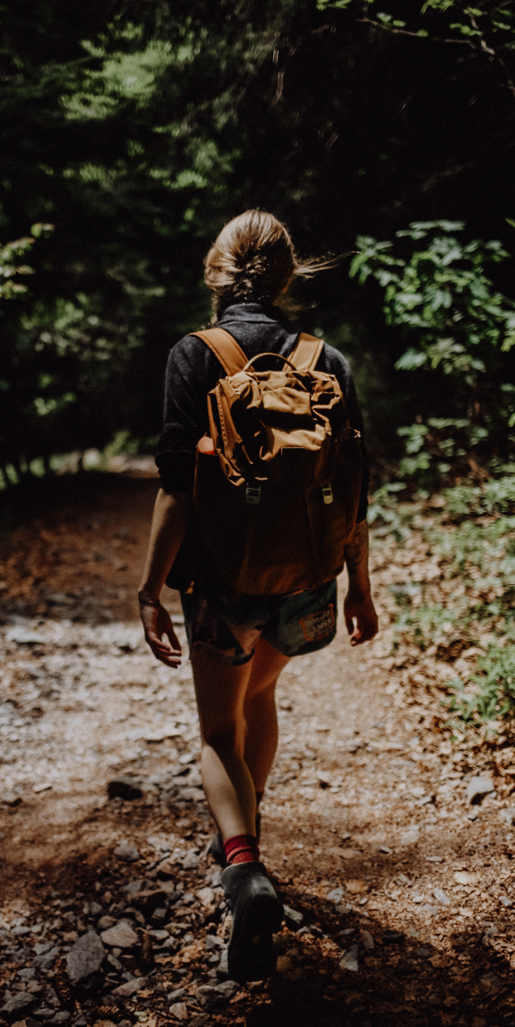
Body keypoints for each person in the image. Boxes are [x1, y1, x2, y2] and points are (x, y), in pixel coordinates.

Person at [138, 210, 378, 983]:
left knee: (217, 730)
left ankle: (241, 866)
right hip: (307, 578)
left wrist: (149, 588)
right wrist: (360, 586)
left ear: (214, 272)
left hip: (221, 580)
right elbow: (355, 486)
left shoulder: (194, 355)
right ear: (286, 276)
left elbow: (176, 487)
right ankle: (245, 827)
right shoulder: (325, 359)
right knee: (260, 697)